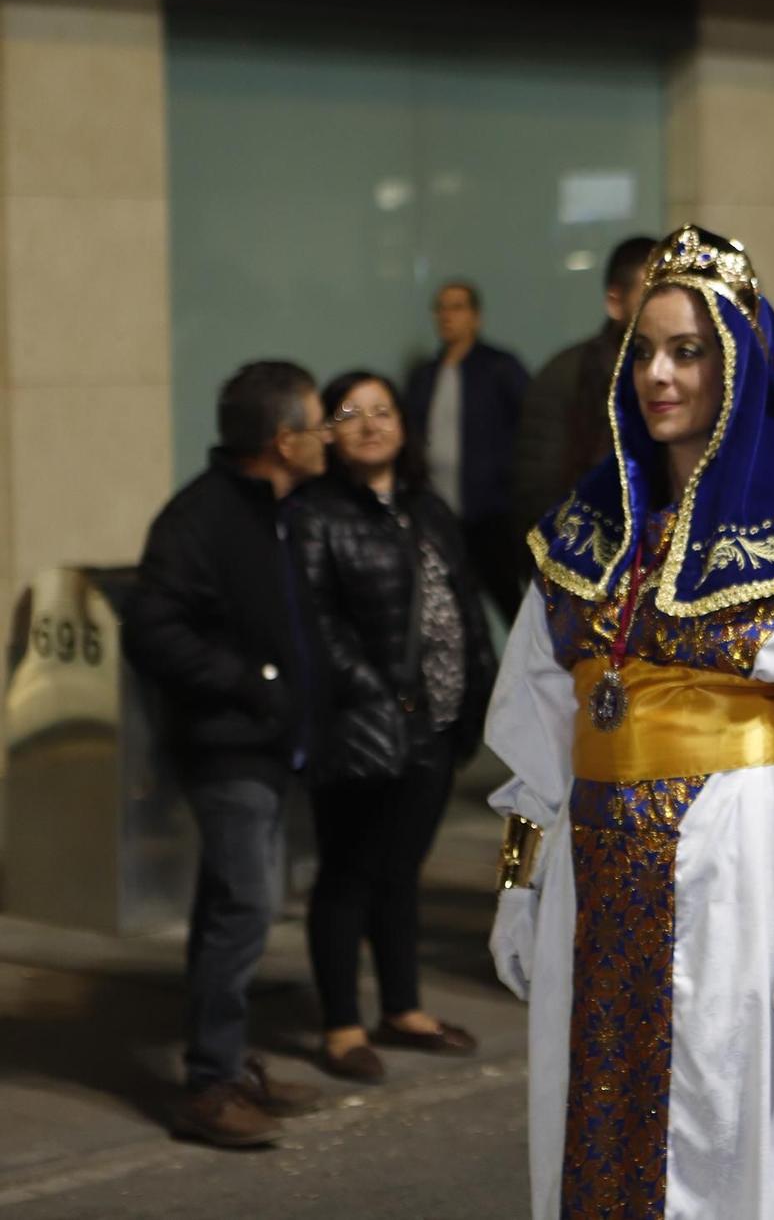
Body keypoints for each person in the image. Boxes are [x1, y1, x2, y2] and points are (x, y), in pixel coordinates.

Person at [483, 227, 774, 1219]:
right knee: (589, 1135)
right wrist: (520, 879)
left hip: (743, 884)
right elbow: (535, 728)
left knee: (737, 1140)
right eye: (642, 350)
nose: (657, 374)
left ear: (735, 356)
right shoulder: (584, 532)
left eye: (686, 350)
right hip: (592, 890)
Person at [123, 361, 330, 1147]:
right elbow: (154, 629)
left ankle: (223, 1059)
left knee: (228, 906)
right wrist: (249, 684)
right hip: (227, 747)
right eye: (318, 424)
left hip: (271, 742)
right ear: (283, 440)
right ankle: (208, 1085)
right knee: (244, 905)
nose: (328, 437)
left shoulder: (287, 510)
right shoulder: (199, 519)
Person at [293, 371, 498, 1083]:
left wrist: (477, 691)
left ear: (405, 426)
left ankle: (403, 1007)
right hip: (363, 728)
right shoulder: (315, 513)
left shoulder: (428, 509)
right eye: (351, 413)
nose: (371, 424)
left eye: (383, 411)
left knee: (402, 871)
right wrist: (380, 698)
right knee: (348, 872)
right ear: (329, 431)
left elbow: (464, 608)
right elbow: (316, 624)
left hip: (436, 726)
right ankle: (342, 1022)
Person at [512, 235, 657, 540]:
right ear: (615, 302)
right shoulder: (567, 373)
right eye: (651, 294)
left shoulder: (678, 375)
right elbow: (538, 489)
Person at [406, 279, 531, 617]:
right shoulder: (425, 375)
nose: (447, 315)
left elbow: (530, 427)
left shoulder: (499, 367)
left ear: (476, 317)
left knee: (510, 598)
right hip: (439, 512)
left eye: (457, 307)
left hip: (491, 510)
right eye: (441, 308)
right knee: (454, 606)